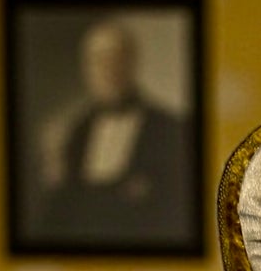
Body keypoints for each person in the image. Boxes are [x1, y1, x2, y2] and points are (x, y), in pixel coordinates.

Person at [34, 18, 194, 247]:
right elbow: (55, 220)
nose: (108, 70)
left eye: (116, 58)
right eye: (98, 61)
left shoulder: (172, 129)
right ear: (86, 68)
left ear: (132, 62)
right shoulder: (73, 133)